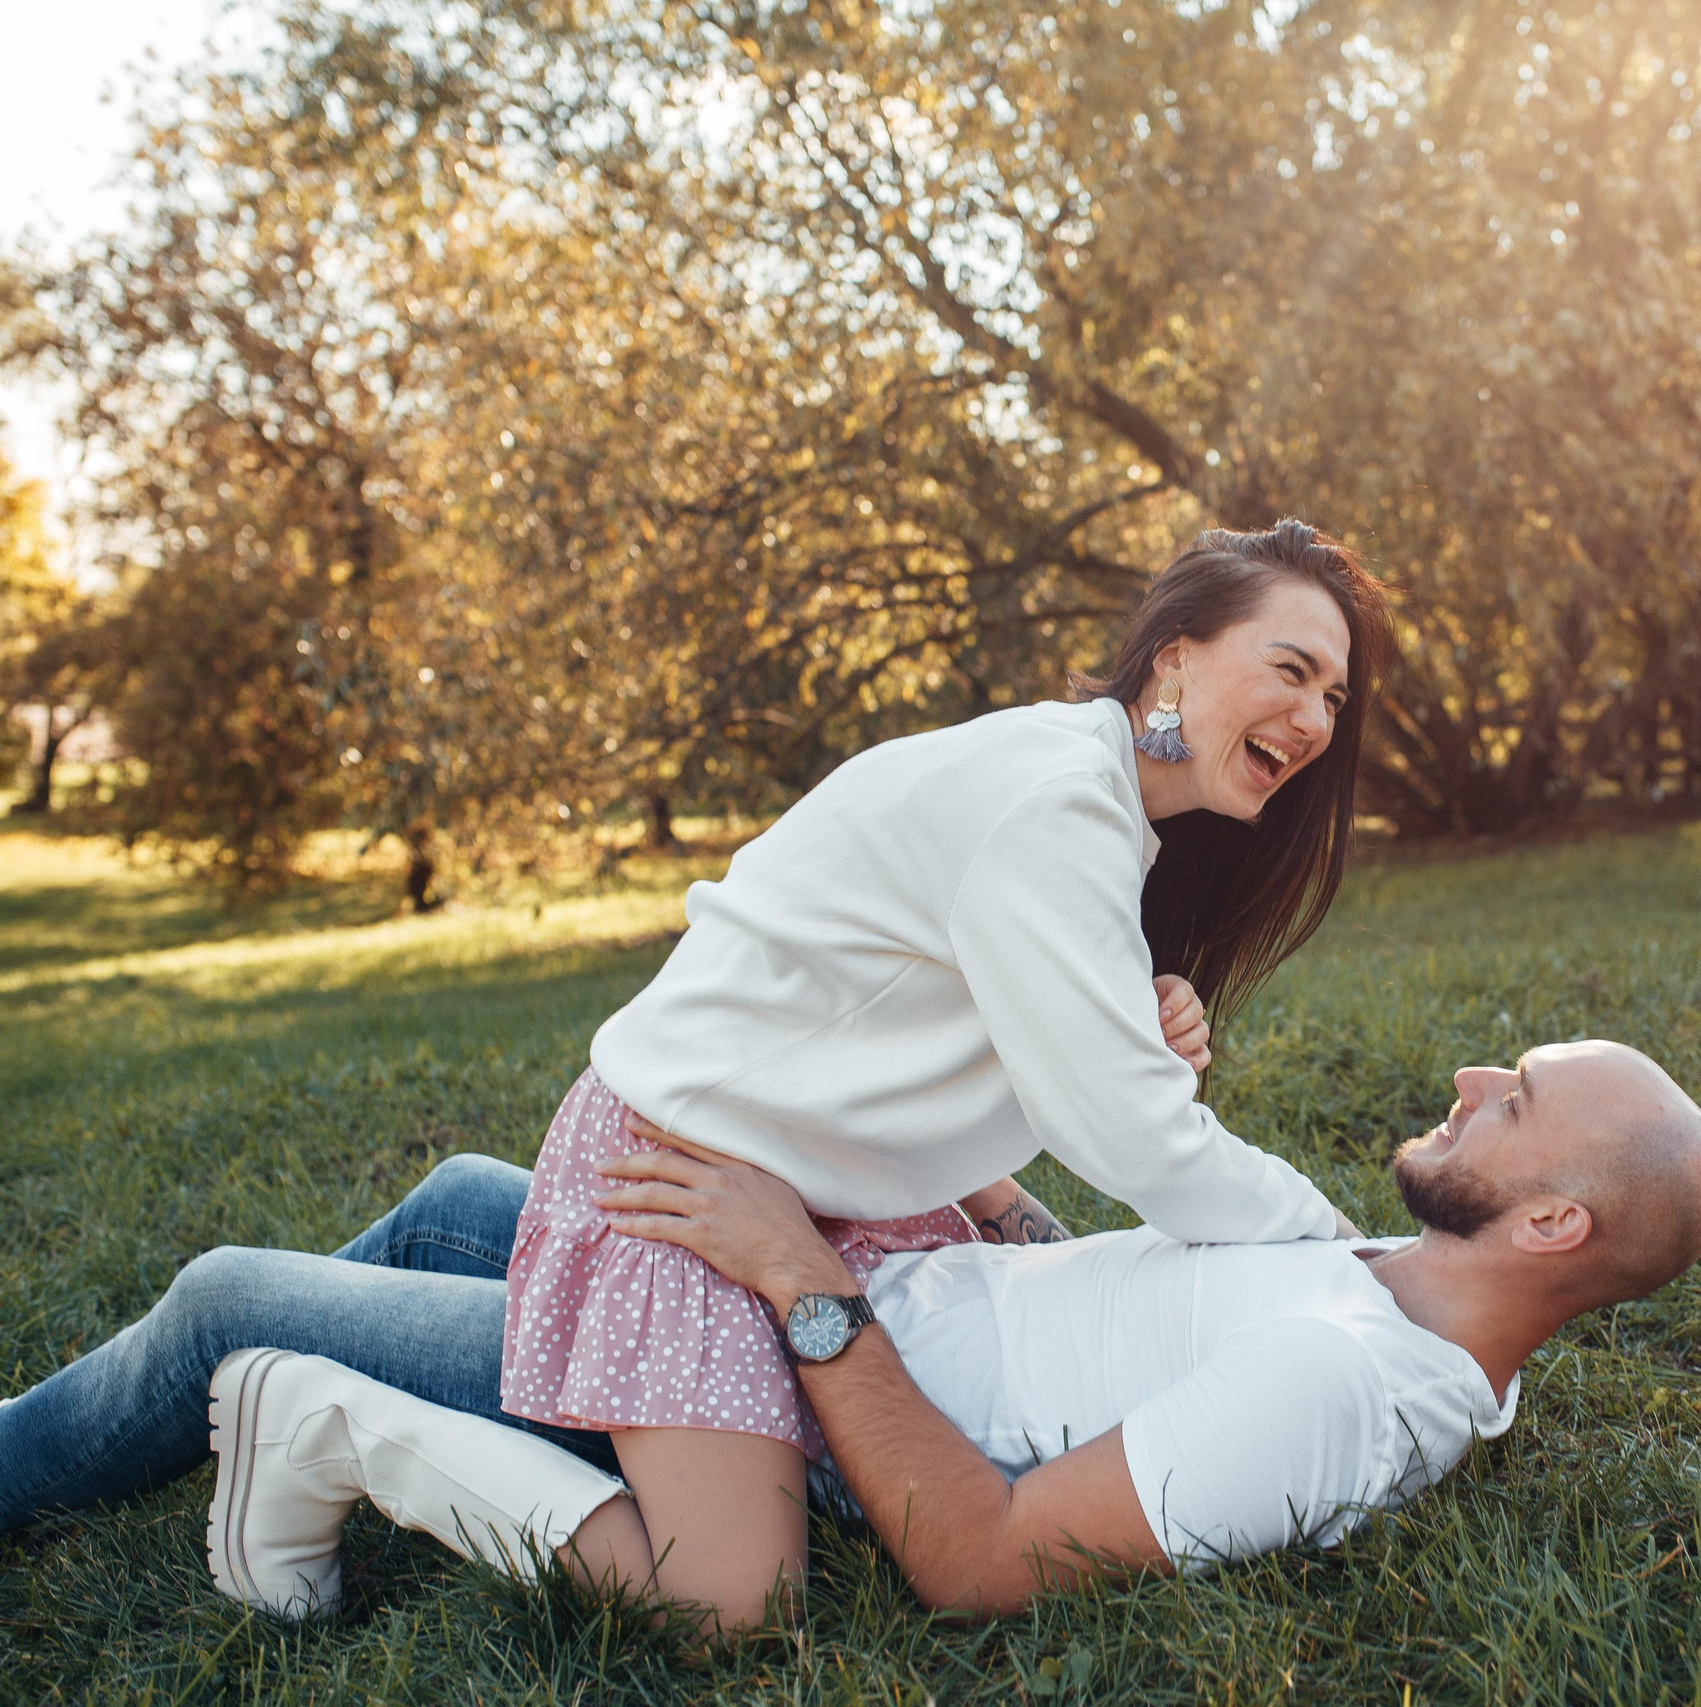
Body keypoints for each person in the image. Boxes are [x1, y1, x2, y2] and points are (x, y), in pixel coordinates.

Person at [486, 519, 1393, 1617]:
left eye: (1334, 698)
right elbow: (1134, 1141)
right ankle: (315, 1401)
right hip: (690, 1180)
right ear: (1175, 660)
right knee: (727, 1605)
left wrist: (1123, 1020)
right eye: (1290, 670)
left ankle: (466, 1222)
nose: (1313, 720)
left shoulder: (1101, 802)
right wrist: (1343, 1242)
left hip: (822, 1189)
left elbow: (951, 1030)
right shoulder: (1059, 801)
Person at [189, 1041, 1701, 1629]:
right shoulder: (1377, 1266)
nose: (1471, 1070)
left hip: (786, 1351)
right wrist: (996, 1206)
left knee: (234, 1303)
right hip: (878, 1272)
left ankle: (288, 1403)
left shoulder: (1346, 1386)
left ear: (1552, 1227)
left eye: (1515, 1097)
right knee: (476, 1201)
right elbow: (1102, 1313)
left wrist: (800, 1279)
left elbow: (982, 1558)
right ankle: (253, 1409)